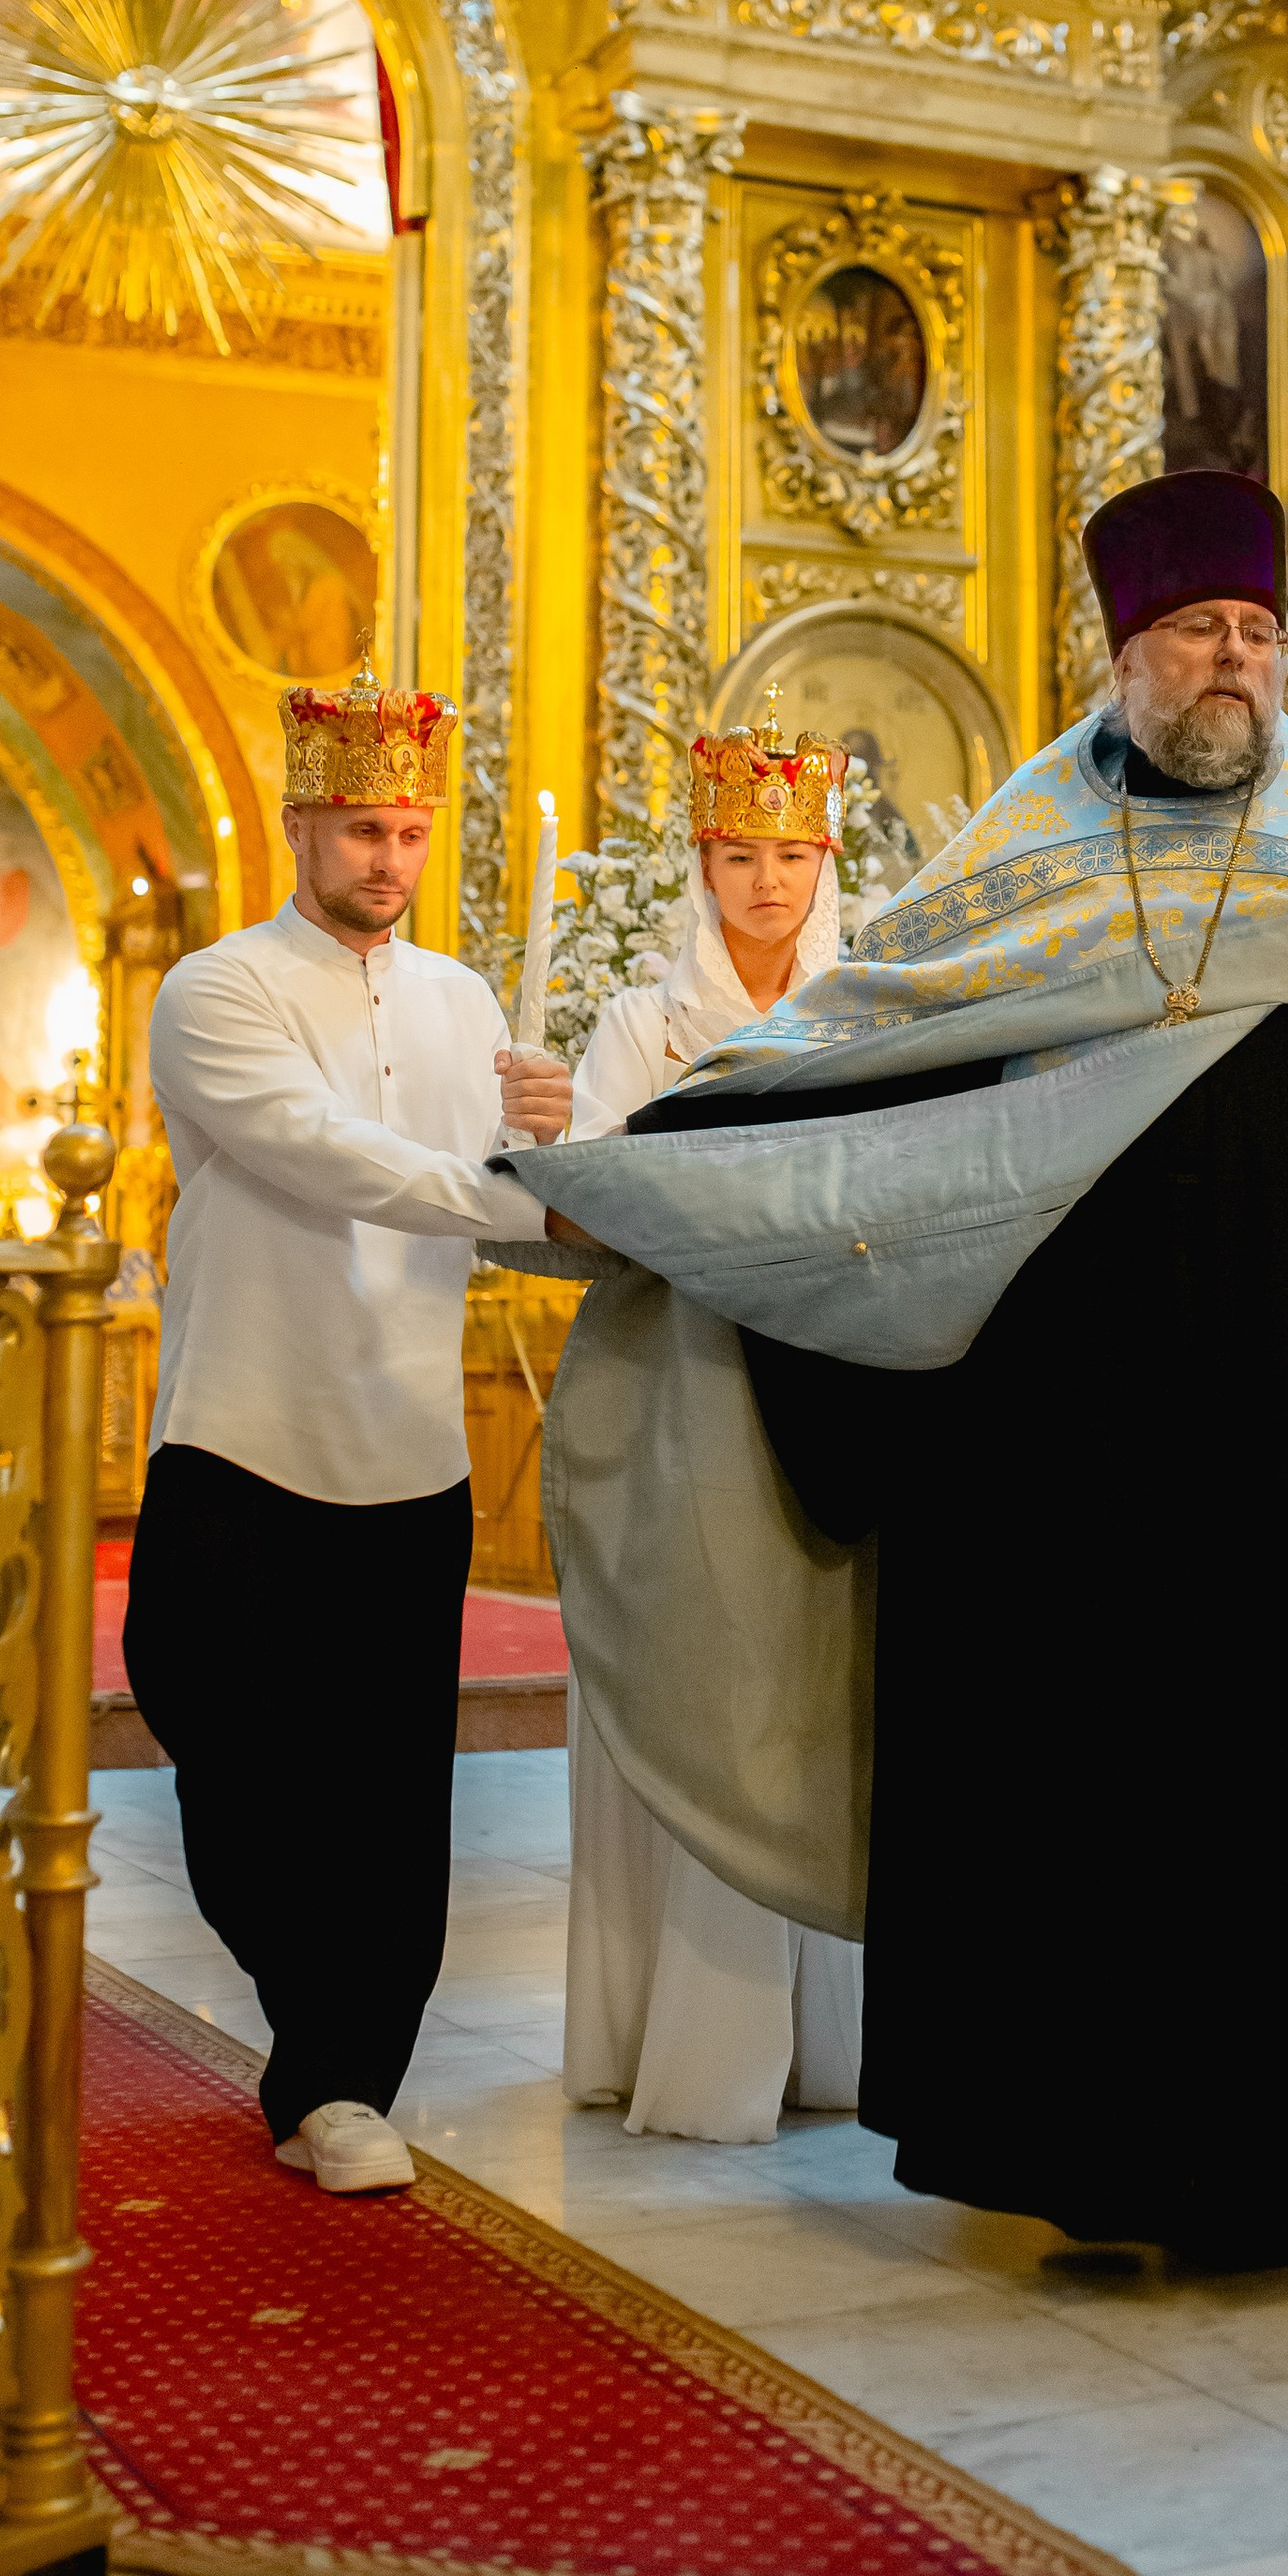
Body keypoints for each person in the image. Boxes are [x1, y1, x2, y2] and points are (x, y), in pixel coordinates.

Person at [526, 471, 1288, 2272]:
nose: (1234, 665)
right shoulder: (1010, 868)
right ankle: (1079, 2160)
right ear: (1125, 655)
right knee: (1076, 1805)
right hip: (1053, 1449)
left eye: (1258, 636)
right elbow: (855, 1075)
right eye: (1199, 633)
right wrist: (675, 1169)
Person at [125, 665, 572, 2194]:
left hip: (408, 1448)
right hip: (241, 1435)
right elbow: (327, 1155)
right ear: (301, 825)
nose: (389, 856)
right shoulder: (218, 990)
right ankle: (316, 2021)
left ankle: (341, 2080)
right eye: (362, 828)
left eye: (409, 829)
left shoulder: (460, 1000)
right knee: (220, 1737)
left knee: (392, 1796)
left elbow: (504, 1180)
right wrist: (513, 1189)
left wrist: (559, 1144)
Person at [562, 712, 863, 2143]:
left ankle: (835, 2047)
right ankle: (686, 2043)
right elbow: (609, 1200)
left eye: (790, 854)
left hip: (830, 1378)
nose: (766, 882)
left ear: (826, 860)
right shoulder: (643, 1022)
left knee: (816, 1683)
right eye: (740, 854)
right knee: (700, 1672)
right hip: (687, 1375)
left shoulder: (869, 1009)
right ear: (703, 862)